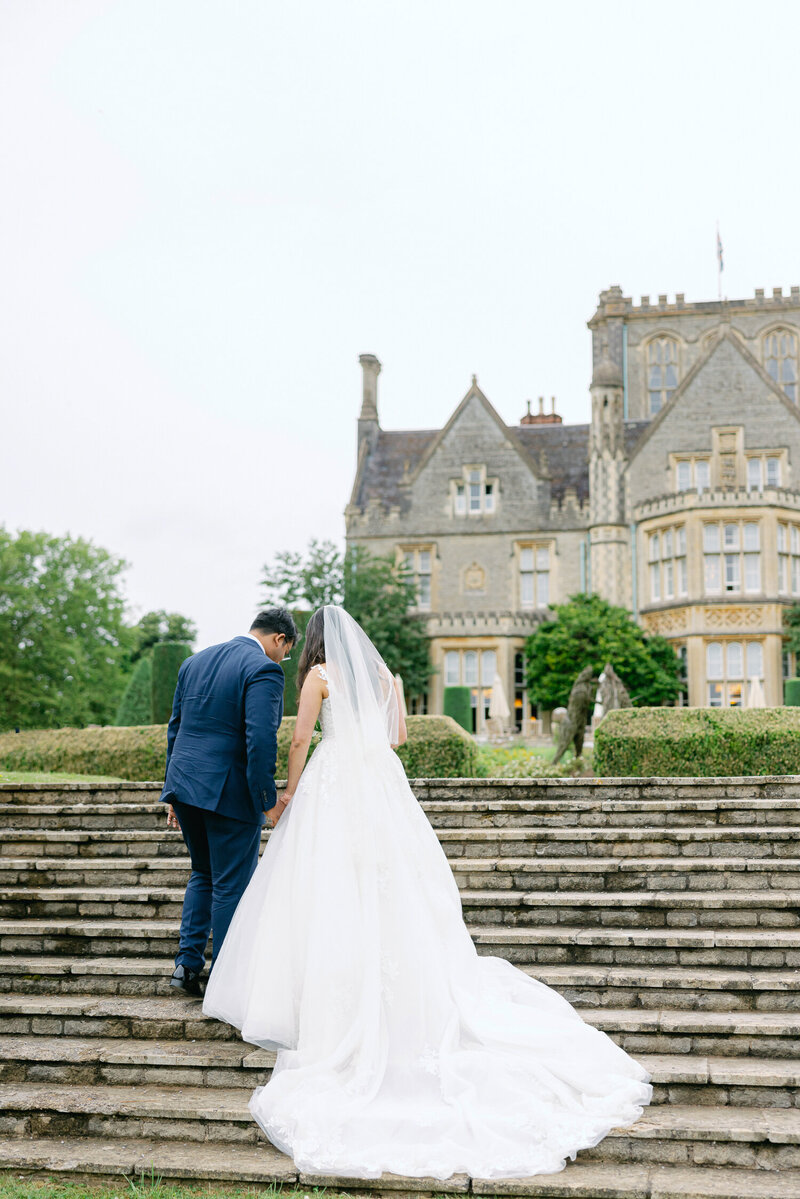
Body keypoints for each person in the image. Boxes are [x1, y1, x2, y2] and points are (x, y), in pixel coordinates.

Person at [203, 605, 651, 1180]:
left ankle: (324, 998)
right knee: (392, 887)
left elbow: (297, 738)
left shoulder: (317, 677)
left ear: (312, 641)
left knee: (324, 887)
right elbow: (399, 739)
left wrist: (288, 793)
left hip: (334, 781)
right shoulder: (389, 680)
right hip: (382, 785)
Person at [161, 607, 297, 997]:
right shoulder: (264, 669)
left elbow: (176, 729)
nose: (282, 658)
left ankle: (185, 969)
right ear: (279, 640)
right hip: (228, 792)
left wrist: (172, 791)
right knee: (230, 884)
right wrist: (266, 799)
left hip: (185, 785)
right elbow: (261, 739)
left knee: (202, 874)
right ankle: (226, 979)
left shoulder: (194, 661)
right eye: (284, 651)